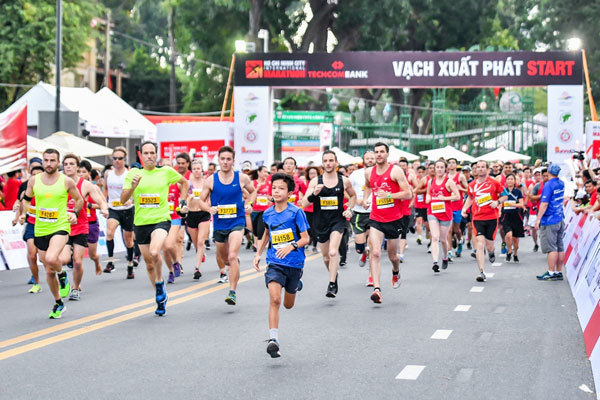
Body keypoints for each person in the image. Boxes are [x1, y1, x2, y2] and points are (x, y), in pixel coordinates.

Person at [121, 141, 189, 316]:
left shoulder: (165, 172)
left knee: (154, 251)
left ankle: (159, 284)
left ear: (156, 155)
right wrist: (133, 187)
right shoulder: (133, 174)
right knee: (149, 264)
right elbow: (122, 200)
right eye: (146, 153)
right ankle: (160, 294)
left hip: (161, 220)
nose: (149, 156)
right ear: (141, 156)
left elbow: (184, 183)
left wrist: (182, 202)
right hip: (141, 223)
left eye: (152, 153)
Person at [21, 148, 84, 318]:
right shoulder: (34, 181)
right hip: (40, 228)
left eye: (52, 161)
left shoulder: (66, 181)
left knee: (50, 258)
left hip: (60, 227)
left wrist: (74, 213)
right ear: (43, 161)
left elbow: (79, 200)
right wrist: (25, 212)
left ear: (58, 163)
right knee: (49, 271)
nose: (48, 164)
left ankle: (62, 274)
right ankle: (58, 302)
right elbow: (26, 200)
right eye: (46, 160)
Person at [253, 173, 310, 358]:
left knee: (288, 304)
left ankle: (295, 284)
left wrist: (291, 246)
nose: (276, 191)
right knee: (275, 299)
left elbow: (305, 238)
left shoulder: (296, 212)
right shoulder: (268, 213)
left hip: (294, 263)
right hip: (275, 262)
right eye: (274, 187)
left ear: (290, 192)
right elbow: (267, 234)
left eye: (281, 188)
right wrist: (258, 254)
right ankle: (273, 340)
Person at [199, 146, 255, 305]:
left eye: (228, 159)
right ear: (218, 159)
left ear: (233, 161)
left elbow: (252, 191)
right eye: (222, 159)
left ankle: (232, 291)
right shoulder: (210, 180)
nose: (225, 162)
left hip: (237, 221)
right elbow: (201, 201)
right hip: (220, 224)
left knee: (232, 255)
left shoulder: (241, 178)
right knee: (225, 259)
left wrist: (248, 204)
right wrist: (209, 209)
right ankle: (234, 265)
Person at [363, 142, 412, 303]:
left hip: (394, 219)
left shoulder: (395, 171)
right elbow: (369, 187)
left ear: (387, 154)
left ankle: (396, 271)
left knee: (392, 256)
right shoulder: (369, 172)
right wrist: (365, 199)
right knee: (375, 252)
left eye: (381, 152)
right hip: (376, 218)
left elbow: (408, 194)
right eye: (376, 152)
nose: (378, 154)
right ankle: (377, 290)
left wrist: (389, 196)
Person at [303, 150, 356, 298]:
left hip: (338, 221)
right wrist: (314, 194)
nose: (328, 163)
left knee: (333, 252)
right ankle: (334, 274)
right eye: (325, 161)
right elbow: (304, 203)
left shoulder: (344, 181)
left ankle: (332, 284)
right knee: (326, 257)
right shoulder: (315, 182)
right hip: (320, 222)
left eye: (331, 160)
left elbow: (353, 196)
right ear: (322, 163)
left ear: (336, 163)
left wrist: (350, 209)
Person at [59, 154, 108, 301]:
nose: (68, 166)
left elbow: (100, 200)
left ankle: (75, 288)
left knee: (78, 261)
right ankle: (62, 277)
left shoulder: (86, 185)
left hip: (81, 226)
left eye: (71, 164)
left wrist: (104, 208)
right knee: (63, 259)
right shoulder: (58, 182)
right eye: (66, 164)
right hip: (63, 226)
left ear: (77, 166)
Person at [461, 160, 504, 282]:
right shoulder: (472, 185)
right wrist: (464, 209)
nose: (480, 169)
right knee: (480, 244)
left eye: (482, 167)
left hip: (491, 218)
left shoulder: (494, 183)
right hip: (477, 218)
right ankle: (482, 272)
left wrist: (498, 202)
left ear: (487, 169)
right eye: (478, 167)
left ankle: (491, 252)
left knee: (489, 245)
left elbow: (505, 195)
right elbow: (470, 198)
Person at [103, 147, 136, 278]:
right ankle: (111, 261)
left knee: (128, 240)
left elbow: (135, 191)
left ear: (124, 159)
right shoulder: (108, 174)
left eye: (120, 158)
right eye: (114, 158)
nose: (117, 161)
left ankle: (130, 264)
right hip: (113, 209)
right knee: (109, 232)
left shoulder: (129, 174)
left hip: (127, 210)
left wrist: (131, 200)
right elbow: (105, 189)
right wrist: (104, 203)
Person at [13, 163, 44, 293]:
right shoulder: (27, 190)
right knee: (32, 255)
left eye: (39, 176)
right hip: (31, 224)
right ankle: (36, 283)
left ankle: (60, 274)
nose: (36, 178)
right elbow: (21, 202)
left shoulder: (49, 189)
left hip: (46, 225)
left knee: (45, 258)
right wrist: (20, 217)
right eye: (33, 175)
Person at [426, 159, 460, 272]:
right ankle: (435, 262)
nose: (439, 169)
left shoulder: (449, 181)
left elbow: (457, 196)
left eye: (441, 167)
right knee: (434, 237)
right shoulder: (431, 181)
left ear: (445, 169)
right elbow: (428, 193)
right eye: (437, 167)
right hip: (432, 212)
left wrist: (445, 198)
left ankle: (445, 257)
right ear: (434, 168)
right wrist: (428, 198)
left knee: (443, 240)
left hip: (445, 214)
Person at [535, 164, 566, 281]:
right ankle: (558, 271)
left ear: (548, 172)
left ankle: (550, 272)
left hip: (550, 219)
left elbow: (544, 204)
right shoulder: (561, 183)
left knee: (551, 247)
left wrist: (538, 219)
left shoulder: (548, 185)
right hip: (559, 217)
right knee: (559, 246)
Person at [349, 152, 375, 274]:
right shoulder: (356, 174)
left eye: (372, 158)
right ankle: (363, 252)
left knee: (373, 244)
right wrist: (356, 200)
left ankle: (371, 274)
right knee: (360, 246)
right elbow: (346, 190)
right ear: (363, 160)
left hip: (375, 213)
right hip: (359, 213)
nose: (370, 160)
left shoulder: (380, 174)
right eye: (367, 158)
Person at [186, 159, 212, 280]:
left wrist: (209, 204)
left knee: (201, 241)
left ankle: (197, 268)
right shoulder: (187, 183)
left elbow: (211, 197)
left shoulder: (206, 183)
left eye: (199, 169)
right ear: (192, 170)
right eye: (194, 169)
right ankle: (200, 253)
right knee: (196, 243)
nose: (197, 171)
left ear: (202, 170)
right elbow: (183, 199)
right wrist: (188, 200)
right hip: (191, 214)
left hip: (203, 213)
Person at [78, 161, 103, 276]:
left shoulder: (93, 188)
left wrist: (90, 205)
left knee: (92, 254)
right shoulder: (71, 187)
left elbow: (102, 203)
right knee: (77, 258)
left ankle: (97, 262)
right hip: (77, 224)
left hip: (91, 223)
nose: (81, 174)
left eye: (84, 172)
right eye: (79, 171)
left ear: (89, 174)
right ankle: (77, 282)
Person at [498, 174, 525, 263]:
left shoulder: (518, 192)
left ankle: (515, 253)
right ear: (505, 181)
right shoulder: (503, 192)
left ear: (514, 181)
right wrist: (499, 212)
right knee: (508, 235)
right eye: (508, 179)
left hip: (516, 216)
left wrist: (512, 204)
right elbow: (500, 203)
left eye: (511, 179)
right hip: (506, 216)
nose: (510, 181)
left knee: (515, 239)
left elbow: (521, 204)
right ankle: (509, 251)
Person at [397, 158, 417, 263]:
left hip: (405, 211)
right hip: (395, 212)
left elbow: (414, 192)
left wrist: (412, 202)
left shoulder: (409, 183)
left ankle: (401, 254)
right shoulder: (394, 185)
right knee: (396, 233)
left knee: (403, 233)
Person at [447, 158, 469, 258]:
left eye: (453, 163)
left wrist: (461, 188)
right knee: (449, 229)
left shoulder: (460, 177)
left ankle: (460, 240)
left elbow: (470, 190)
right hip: (447, 207)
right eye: (449, 163)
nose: (451, 165)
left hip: (458, 207)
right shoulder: (444, 177)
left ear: (456, 165)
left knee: (457, 230)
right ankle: (449, 252)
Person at [251, 165, 272, 253]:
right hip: (255, 210)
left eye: (267, 172)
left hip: (265, 211)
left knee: (260, 230)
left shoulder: (269, 183)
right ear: (259, 172)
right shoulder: (253, 183)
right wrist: (257, 188)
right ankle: (255, 243)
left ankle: (259, 250)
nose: (266, 174)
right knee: (255, 230)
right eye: (264, 171)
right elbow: (251, 196)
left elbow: (271, 196)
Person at [303, 166, 320, 253]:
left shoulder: (320, 184)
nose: (312, 175)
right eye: (310, 173)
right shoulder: (305, 184)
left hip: (317, 210)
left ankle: (314, 245)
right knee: (308, 228)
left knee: (315, 228)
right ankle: (307, 241)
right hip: (307, 210)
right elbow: (302, 195)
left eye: (314, 173)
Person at [413, 165, 428, 246]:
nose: (421, 174)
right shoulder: (415, 180)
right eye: (419, 172)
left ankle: (428, 233)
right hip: (418, 204)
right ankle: (419, 237)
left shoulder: (427, 180)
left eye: (422, 172)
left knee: (426, 223)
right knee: (418, 221)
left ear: (425, 172)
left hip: (426, 205)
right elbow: (413, 191)